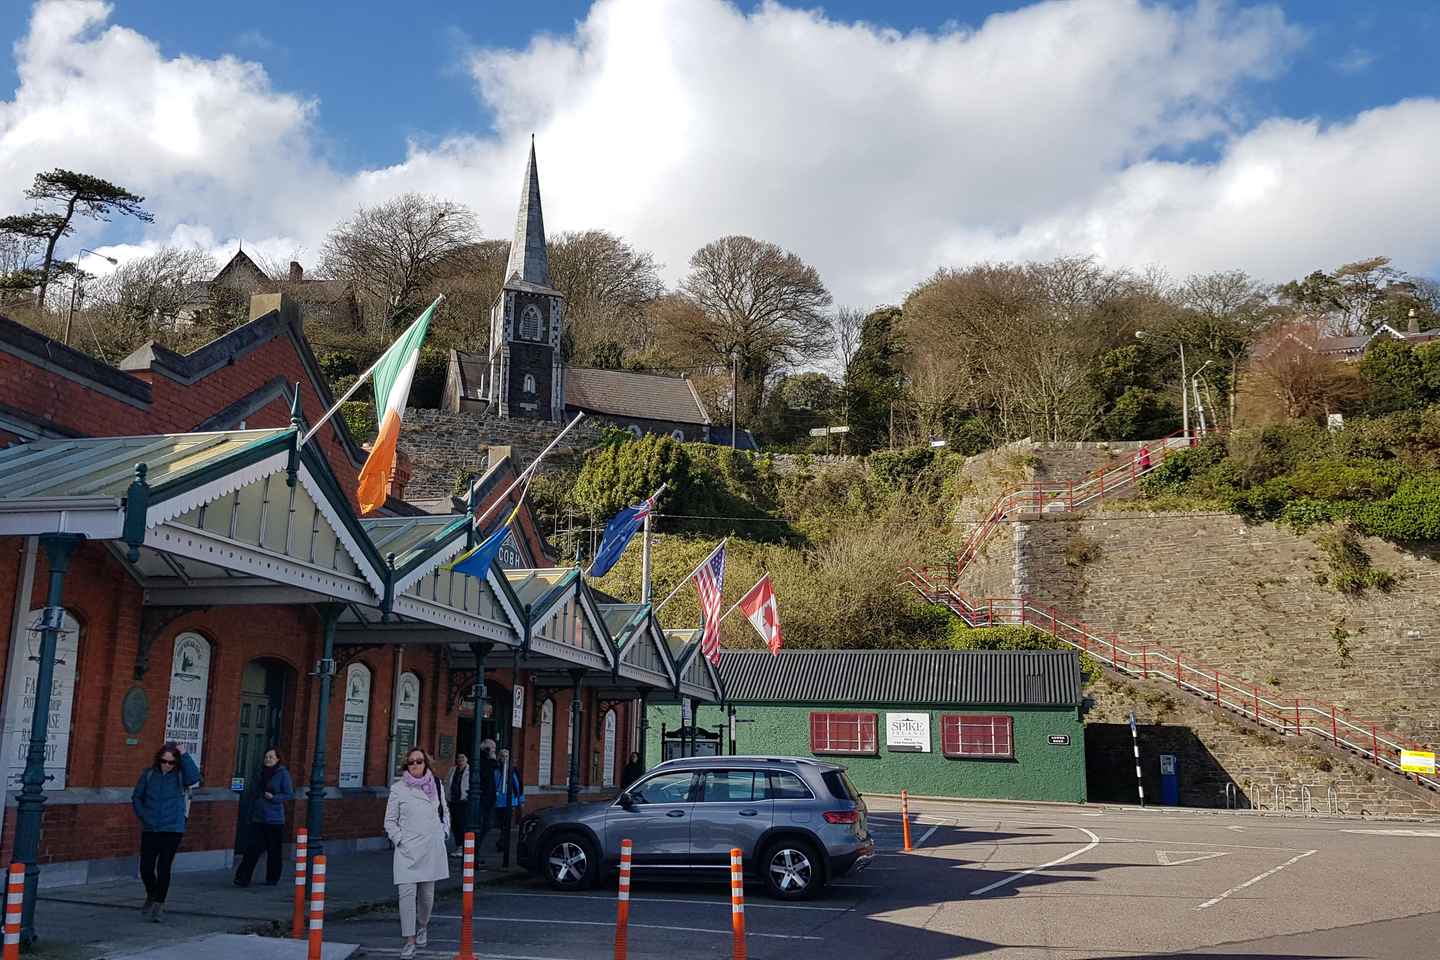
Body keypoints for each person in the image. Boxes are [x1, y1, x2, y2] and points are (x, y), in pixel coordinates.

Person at [385, 749, 450, 960]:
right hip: (407, 851)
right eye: (411, 762)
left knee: (427, 896)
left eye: (419, 761)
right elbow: (389, 821)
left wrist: (444, 832)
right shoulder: (398, 789)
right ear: (406, 766)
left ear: (426, 764)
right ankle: (409, 940)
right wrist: (399, 839)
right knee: (405, 896)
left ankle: (423, 925)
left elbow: (445, 811)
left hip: (431, 847)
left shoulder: (436, 785)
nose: (414, 765)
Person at [131, 741, 200, 922]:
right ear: (158, 760)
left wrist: (184, 755)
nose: (167, 765)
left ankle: (159, 904)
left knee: (164, 866)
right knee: (146, 867)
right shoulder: (149, 775)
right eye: (164, 761)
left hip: (172, 828)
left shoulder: (180, 776)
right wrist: (143, 816)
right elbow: (137, 797)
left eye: (171, 762)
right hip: (151, 827)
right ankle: (152, 893)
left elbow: (194, 778)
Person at [233, 748, 293, 886]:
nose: (267, 759)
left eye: (271, 757)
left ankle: (272, 878)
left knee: (274, 851)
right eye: (266, 757)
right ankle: (242, 878)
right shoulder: (260, 773)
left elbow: (289, 794)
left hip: (274, 819)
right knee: (252, 848)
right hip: (258, 817)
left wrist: (274, 797)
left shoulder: (282, 774)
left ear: (278, 759)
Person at [492, 749, 524, 852]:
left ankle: (503, 843)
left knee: (506, 823)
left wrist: (520, 800)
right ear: (499, 757)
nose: (504, 758)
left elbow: (518, 785)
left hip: (510, 800)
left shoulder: (513, 770)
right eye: (502, 756)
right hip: (498, 801)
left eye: (506, 756)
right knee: (501, 824)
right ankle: (502, 841)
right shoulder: (495, 770)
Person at [473, 739, 498, 856]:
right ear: (487, 749)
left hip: (487, 798)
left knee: (485, 826)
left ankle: (475, 855)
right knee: (482, 827)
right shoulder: (484, 761)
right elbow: (493, 767)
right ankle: (474, 855)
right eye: (493, 748)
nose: (494, 751)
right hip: (483, 799)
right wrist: (492, 757)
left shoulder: (485, 760)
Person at [445, 754, 470, 856]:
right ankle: (458, 845)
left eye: (463, 758)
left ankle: (462, 847)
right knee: (454, 824)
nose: (460, 760)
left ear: (466, 760)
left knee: (462, 824)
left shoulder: (470, 771)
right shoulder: (452, 770)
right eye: (459, 758)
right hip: (453, 800)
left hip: (464, 801)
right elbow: (447, 782)